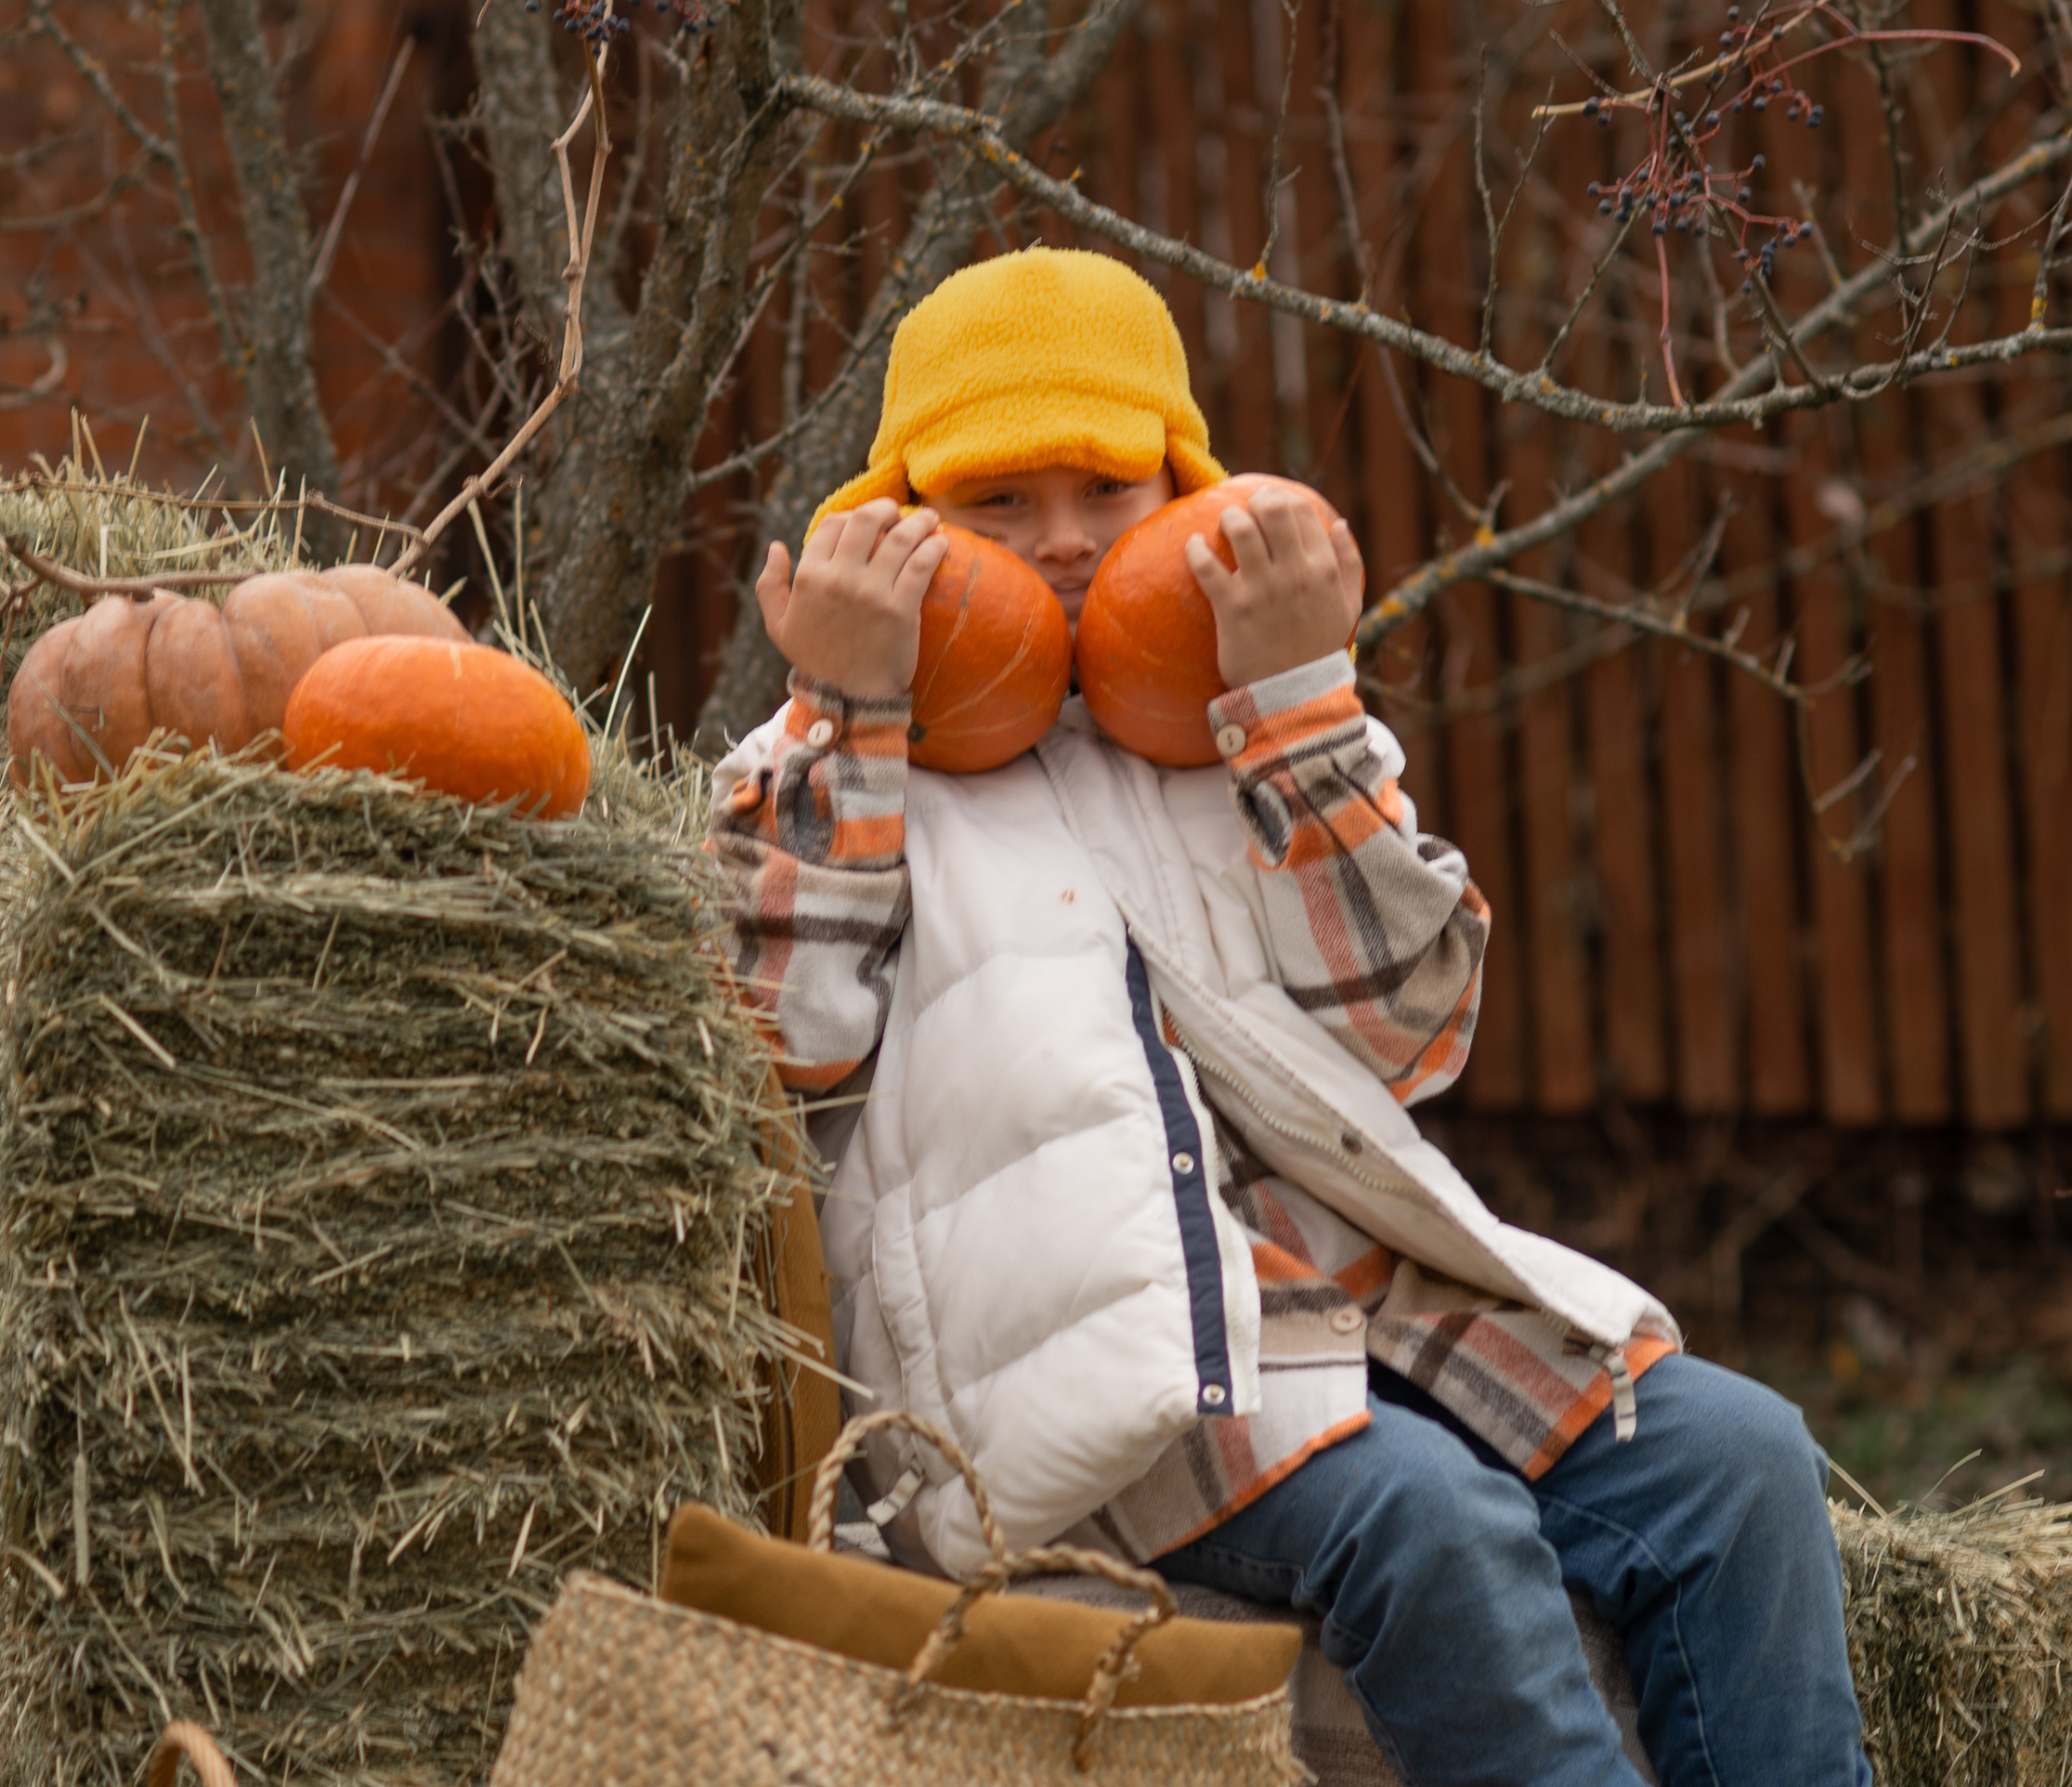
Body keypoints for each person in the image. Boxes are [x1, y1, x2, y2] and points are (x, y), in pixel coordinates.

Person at [706, 245, 1867, 1786]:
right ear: (901, 527)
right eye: (997, 504)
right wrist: (847, 713)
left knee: (1741, 1465)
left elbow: (1409, 1035)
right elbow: (783, 1043)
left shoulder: (1251, 736)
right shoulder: (816, 772)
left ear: (1185, 499)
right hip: (1098, 1372)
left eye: (1106, 494)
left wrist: (1303, 708)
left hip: (1357, 1312)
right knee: (1431, 1526)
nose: (1058, 543)